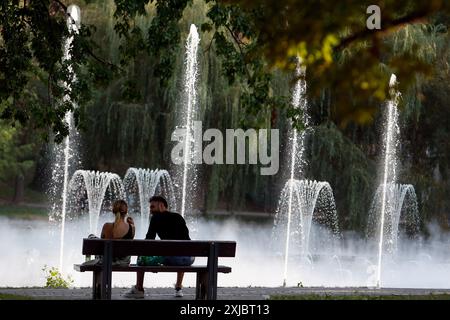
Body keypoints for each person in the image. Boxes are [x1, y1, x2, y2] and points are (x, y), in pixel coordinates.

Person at [124, 195, 194, 299]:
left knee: (141, 257)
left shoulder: (155, 218)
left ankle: (139, 289)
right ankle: (178, 288)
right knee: (181, 250)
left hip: (170, 258)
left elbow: (149, 240)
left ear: (161, 206)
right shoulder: (178, 217)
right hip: (189, 258)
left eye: (152, 207)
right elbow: (186, 239)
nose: (151, 210)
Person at [84, 199, 135, 266]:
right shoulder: (132, 227)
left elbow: (101, 244)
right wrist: (132, 225)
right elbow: (130, 245)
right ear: (126, 212)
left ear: (113, 211)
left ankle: (88, 260)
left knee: (91, 236)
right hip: (123, 262)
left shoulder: (107, 226)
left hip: (106, 260)